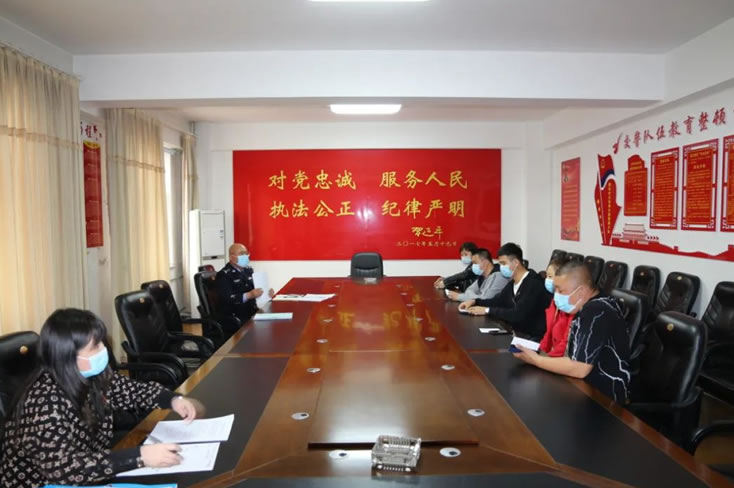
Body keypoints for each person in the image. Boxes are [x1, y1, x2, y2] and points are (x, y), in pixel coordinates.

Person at [0, 309, 205, 487]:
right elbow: (64, 470)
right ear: (68, 356)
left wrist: (172, 400)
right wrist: (139, 457)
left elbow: (131, 390)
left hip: (88, 471)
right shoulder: (44, 404)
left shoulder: (91, 376)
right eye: (95, 347)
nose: (104, 350)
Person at [512, 260, 631, 403]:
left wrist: (536, 360)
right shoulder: (594, 302)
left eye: (560, 290)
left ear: (581, 291)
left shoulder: (596, 312)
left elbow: (580, 368)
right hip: (582, 387)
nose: (556, 296)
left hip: (602, 399)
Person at [460, 243, 547, 341]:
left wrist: (487, 310)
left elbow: (517, 314)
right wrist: (475, 301)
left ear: (516, 262)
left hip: (532, 338)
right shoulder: (512, 283)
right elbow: (497, 301)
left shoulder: (533, 283)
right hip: (516, 334)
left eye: (503, 263)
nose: (501, 267)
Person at [216, 243, 274, 325]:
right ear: (232, 257)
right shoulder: (224, 275)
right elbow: (227, 299)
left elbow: (255, 291)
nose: (245, 256)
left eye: (246, 253)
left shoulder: (248, 270)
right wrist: (249, 295)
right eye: (241, 254)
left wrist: (266, 293)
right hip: (235, 316)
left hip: (251, 312)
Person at [539, 257, 575, 357]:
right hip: (551, 353)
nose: (547, 280)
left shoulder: (570, 305)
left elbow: (566, 343)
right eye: (547, 276)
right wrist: (540, 352)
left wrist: (544, 360)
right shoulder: (555, 300)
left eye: (550, 276)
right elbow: (548, 333)